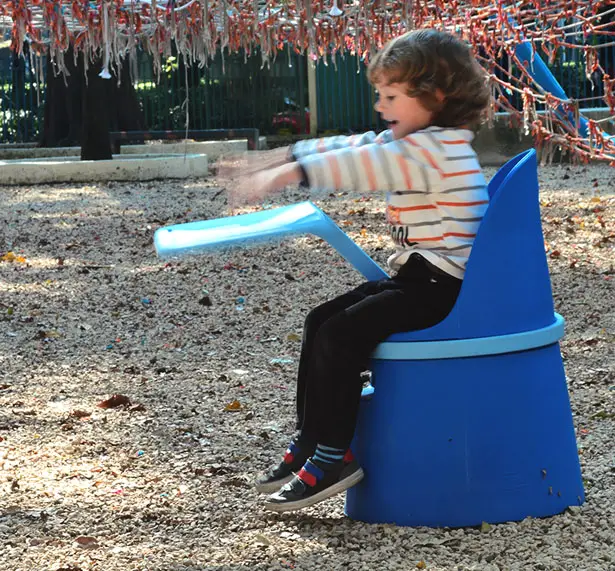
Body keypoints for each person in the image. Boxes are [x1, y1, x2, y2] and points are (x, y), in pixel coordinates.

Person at [222, 29, 491, 513]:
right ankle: (312, 440)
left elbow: (364, 161)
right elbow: (359, 144)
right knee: (321, 321)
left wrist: (287, 173)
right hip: (422, 280)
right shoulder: (423, 141)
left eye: (391, 95)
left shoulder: (434, 150)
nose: (381, 106)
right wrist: (285, 156)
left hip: (443, 290)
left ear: (436, 95)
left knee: (340, 335)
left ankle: (334, 456)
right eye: (379, 94)